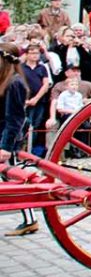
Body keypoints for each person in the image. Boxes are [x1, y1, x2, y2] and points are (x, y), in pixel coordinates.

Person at [1, 42, 39, 236]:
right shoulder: (6, 80)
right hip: (4, 134)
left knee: (14, 178)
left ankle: (30, 219)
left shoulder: (15, 82)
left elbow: (14, 118)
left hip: (8, 138)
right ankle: (29, 219)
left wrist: (6, 146)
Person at [19, 42, 52, 157]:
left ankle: (32, 150)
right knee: (23, 124)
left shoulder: (42, 68)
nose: (34, 55)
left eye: (37, 53)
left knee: (36, 125)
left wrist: (36, 98)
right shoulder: (21, 68)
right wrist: (25, 100)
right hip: (23, 100)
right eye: (32, 53)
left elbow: (45, 84)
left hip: (39, 101)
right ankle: (20, 148)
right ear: (27, 54)